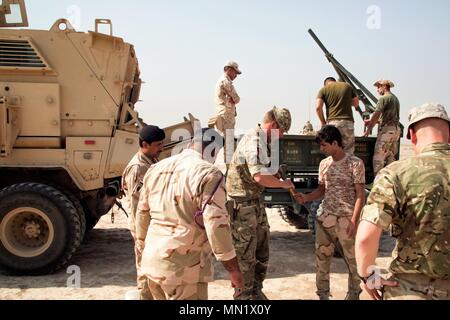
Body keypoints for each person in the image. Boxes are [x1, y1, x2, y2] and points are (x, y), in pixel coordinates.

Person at [135, 128, 244, 300]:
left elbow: (142, 215)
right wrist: (233, 269)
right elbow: (216, 225)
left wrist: (142, 247)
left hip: (152, 264)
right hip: (183, 272)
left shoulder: (155, 168)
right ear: (214, 150)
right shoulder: (209, 173)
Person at [355, 103, 450, 300]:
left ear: (412, 135)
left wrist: (369, 276)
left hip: (411, 289)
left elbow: (365, 238)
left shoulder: (395, 173)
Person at [226, 107, 295, 300]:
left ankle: (255, 293)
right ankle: (244, 296)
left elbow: (261, 170)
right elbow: (258, 177)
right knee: (246, 257)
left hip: (254, 203)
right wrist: (283, 184)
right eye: (281, 132)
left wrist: (275, 172)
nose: (281, 137)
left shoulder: (263, 141)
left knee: (261, 253)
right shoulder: (254, 140)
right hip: (243, 207)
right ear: (273, 125)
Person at [294, 125, 365, 300]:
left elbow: (360, 196)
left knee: (353, 263)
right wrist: (306, 198)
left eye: (324, 145)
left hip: (347, 220)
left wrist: (354, 221)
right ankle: (323, 295)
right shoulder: (324, 164)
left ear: (335, 143)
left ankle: (354, 295)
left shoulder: (355, 163)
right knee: (322, 261)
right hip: (326, 219)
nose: (321, 149)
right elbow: (321, 191)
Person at [122, 125, 165, 300]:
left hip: (150, 225)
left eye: (162, 144)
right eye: (157, 144)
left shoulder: (150, 160)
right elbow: (138, 206)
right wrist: (141, 235)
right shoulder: (138, 168)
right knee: (145, 269)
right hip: (143, 228)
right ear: (145, 144)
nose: (161, 148)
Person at [363, 80, 402, 176]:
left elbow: (376, 114)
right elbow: (389, 117)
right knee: (390, 157)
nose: (377, 90)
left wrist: (368, 129)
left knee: (378, 159)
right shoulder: (395, 98)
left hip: (386, 131)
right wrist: (373, 121)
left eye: (378, 87)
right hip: (395, 131)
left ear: (384, 86)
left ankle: (378, 181)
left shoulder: (383, 98)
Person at [316, 77, 360, 154]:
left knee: (331, 151)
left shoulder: (324, 89)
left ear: (326, 83)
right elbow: (356, 103)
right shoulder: (347, 86)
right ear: (335, 81)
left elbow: (318, 108)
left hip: (332, 124)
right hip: (347, 123)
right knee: (348, 152)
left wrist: (323, 123)